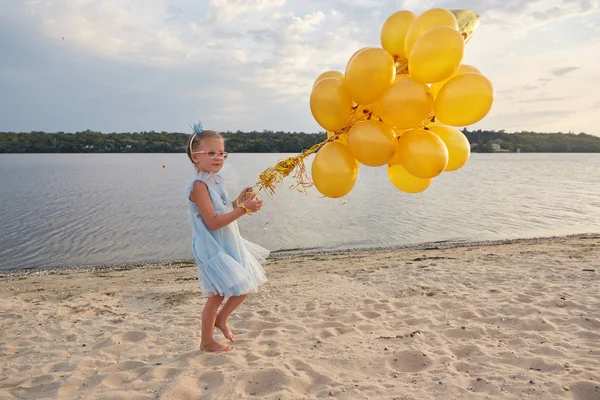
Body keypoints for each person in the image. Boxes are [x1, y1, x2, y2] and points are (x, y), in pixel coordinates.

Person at [184, 121, 268, 352]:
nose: (218, 158)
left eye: (221, 153)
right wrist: (244, 209)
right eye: (211, 153)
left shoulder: (216, 181)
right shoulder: (198, 186)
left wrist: (239, 201)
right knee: (216, 294)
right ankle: (206, 341)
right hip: (211, 245)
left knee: (244, 286)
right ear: (195, 157)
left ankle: (221, 320)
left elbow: (222, 209)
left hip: (228, 241)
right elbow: (211, 222)